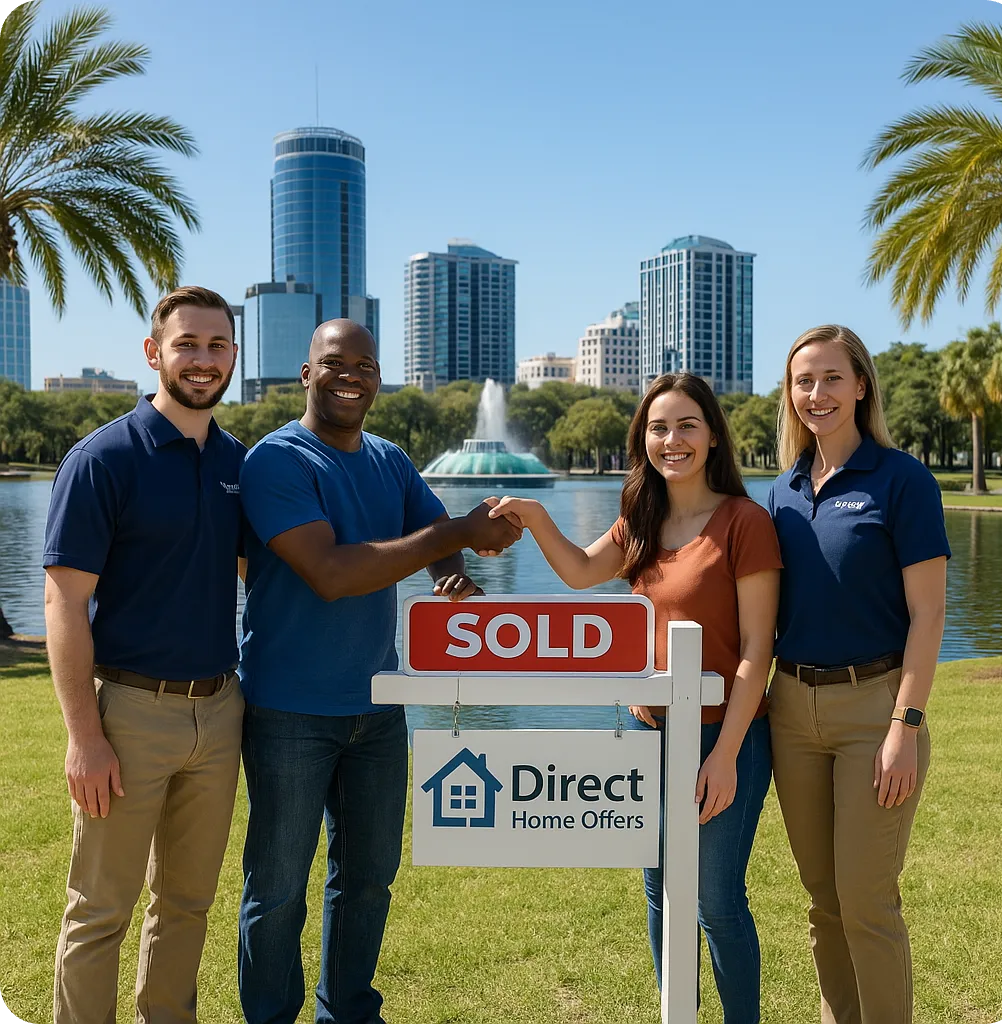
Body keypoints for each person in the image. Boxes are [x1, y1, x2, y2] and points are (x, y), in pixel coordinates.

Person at [235, 319, 521, 1024]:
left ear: (379, 380)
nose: (351, 375)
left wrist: (449, 571)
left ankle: (349, 1015)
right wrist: (456, 534)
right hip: (289, 710)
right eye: (335, 363)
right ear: (307, 374)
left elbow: (432, 529)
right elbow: (332, 574)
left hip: (379, 707)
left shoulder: (389, 460)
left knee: (367, 882)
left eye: (365, 365)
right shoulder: (277, 460)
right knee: (278, 888)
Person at [487, 372, 781, 1022]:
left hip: (723, 736)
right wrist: (535, 515)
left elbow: (757, 649)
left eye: (686, 426)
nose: (672, 440)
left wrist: (725, 756)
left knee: (715, 901)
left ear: (712, 436)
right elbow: (578, 573)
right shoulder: (640, 520)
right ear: (643, 438)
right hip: (649, 733)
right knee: (659, 889)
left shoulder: (745, 522)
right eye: (658, 427)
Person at [43, 286, 247, 1024]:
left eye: (216, 345)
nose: (202, 359)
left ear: (234, 356)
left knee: (187, 904)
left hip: (220, 713)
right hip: (128, 714)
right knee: (100, 910)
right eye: (186, 344)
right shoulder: (103, 460)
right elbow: (63, 604)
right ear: (153, 352)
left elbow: (274, 574)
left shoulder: (239, 463)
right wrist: (85, 738)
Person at [767, 324, 949, 1024]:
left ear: (862, 386)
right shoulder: (780, 492)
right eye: (803, 381)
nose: (816, 393)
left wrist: (906, 725)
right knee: (823, 903)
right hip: (791, 712)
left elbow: (928, 615)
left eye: (832, 378)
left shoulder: (902, 480)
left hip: (876, 710)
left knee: (867, 902)